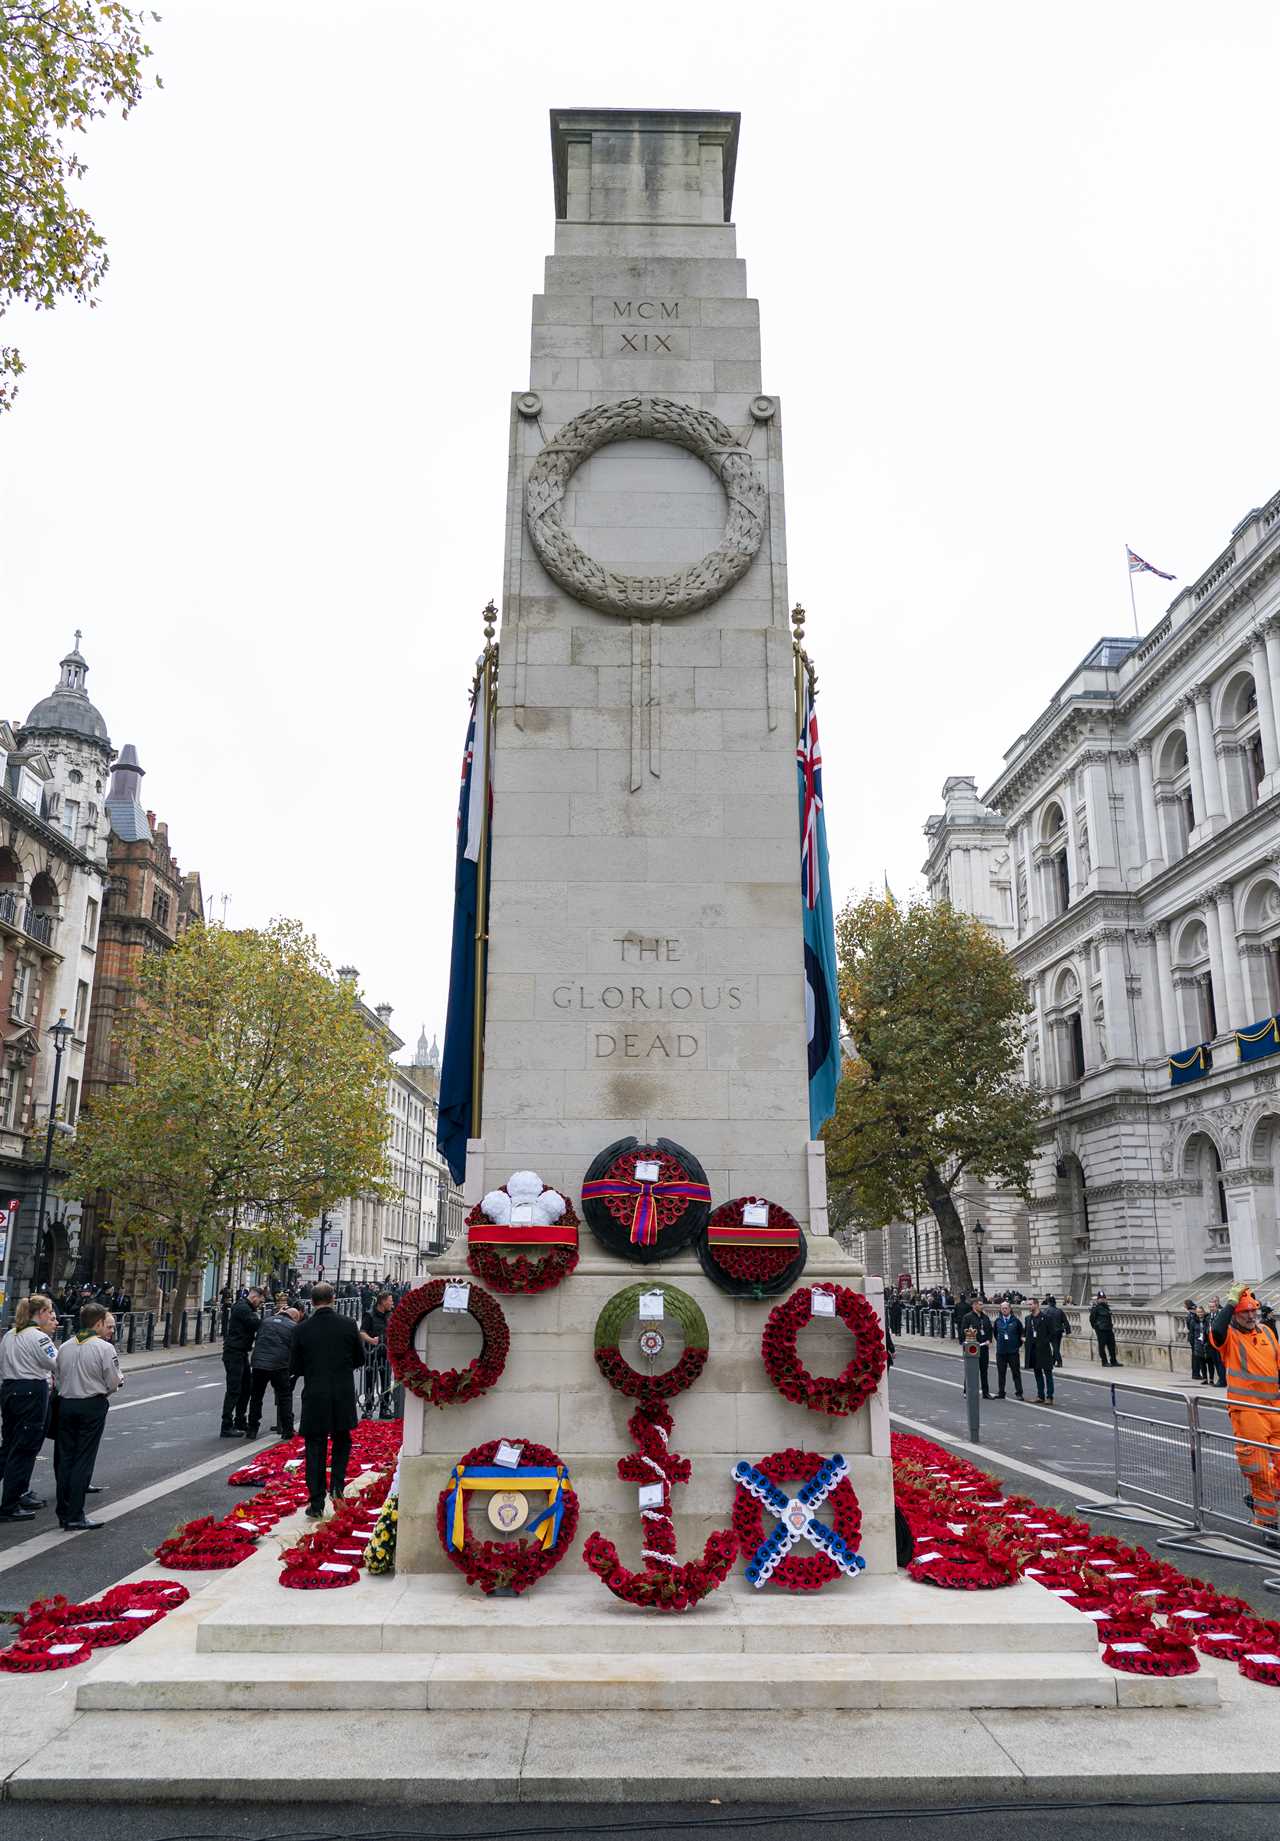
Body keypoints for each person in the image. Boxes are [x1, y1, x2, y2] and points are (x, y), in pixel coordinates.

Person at [1208, 1283, 1280, 1540]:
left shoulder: (1269, 1333)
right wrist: (1229, 1302)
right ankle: (1267, 1525)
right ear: (1235, 1314)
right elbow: (1215, 1329)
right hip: (1247, 1412)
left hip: (1274, 1410)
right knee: (1259, 1470)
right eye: (1244, 1312)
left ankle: (1261, 1504)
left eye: (1254, 1311)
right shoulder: (1227, 1335)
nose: (1250, 1316)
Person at [290, 1281, 364, 1518]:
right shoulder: (348, 1324)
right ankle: (337, 1488)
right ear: (333, 1299)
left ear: (311, 1302)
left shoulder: (302, 1329)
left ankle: (316, 1501)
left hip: (315, 1393)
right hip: (341, 1392)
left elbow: (295, 1365)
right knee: (342, 1440)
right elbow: (359, 1358)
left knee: (315, 1447)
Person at [54, 1304, 124, 1530]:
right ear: (98, 1323)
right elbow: (113, 1381)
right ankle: (75, 1514)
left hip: (66, 1404)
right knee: (83, 1459)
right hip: (91, 1405)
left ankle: (64, 1512)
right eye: (107, 1323)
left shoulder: (64, 1346)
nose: (110, 1328)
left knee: (65, 1459)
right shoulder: (104, 1348)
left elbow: (58, 1376)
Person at [0, 1294, 59, 1520]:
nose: (52, 1315)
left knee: (10, 1446)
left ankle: (16, 1496)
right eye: (50, 1310)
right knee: (24, 1449)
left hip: (9, 1389)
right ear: (41, 1313)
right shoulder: (38, 1337)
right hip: (31, 1391)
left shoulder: (10, 1335)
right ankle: (10, 1504)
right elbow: (55, 1362)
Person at [246, 1304, 301, 1441]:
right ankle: (287, 1429)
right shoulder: (293, 1327)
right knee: (284, 1396)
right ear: (294, 1317)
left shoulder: (266, 1321)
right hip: (279, 1365)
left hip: (259, 1363)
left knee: (256, 1397)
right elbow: (294, 1349)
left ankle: (252, 1429)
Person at [220, 1286, 263, 1437]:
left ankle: (239, 1420)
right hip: (234, 1353)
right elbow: (257, 1325)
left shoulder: (245, 1307)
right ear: (255, 1297)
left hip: (241, 1352)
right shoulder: (243, 1309)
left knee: (246, 1387)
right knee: (234, 1389)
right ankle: (226, 1426)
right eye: (260, 1301)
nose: (261, 1304)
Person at [959, 1296, 994, 1398]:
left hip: (983, 1347)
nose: (981, 1306)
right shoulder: (968, 1317)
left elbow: (989, 1329)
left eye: (982, 1304)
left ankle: (985, 1392)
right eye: (979, 1304)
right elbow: (963, 1332)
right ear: (974, 1305)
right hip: (972, 1347)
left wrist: (989, 1339)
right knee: (971, 1370)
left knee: (984, 1370)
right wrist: (965, 1344)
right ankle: (967, 1391)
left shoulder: (985, 1317)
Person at [1024, 1299, 1056, 1404]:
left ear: (1036, 1305)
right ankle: (1040, 1395)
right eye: (1028, 1304)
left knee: (1048, 1374)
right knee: (1037, 1373)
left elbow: (1052, 1333)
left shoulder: (1046, 1318)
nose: (1029, 1306)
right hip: (1033, 1350)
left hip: (1044, 1350)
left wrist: (1044, 1342)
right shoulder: (1028, 1319)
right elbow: (1026, 1333)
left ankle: (1050, 1396)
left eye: (1030, 1304)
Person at [993, 1300, 1024, 1400]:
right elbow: (995, 1334)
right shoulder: (998, 1321)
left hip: (1013, 1352)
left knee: (1016, 1373)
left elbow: (1021, 1334)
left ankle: (1019, 1393)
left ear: (1010, 1309)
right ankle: (1001, 1392)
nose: (1004, 1310)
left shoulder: (1016, 1321)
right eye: (1002, 1308)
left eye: (1006, 1308)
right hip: (1001, 1351)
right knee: (1001, 1373)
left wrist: (1015, 1345)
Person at [1090, 1291, 1120, 1368]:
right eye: (1101, 1298)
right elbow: (1092, 1319)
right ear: (1098, 1300)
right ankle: (1104, 1362)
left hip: (1109, 1329)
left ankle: (1113, 1361)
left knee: (1112, 1346)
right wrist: (1096, 1327)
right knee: (1102, 1346)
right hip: (1101, 1330)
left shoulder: (1107, 1307)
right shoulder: (1095, 1308)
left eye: (1103, 1298)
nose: (1102, 1300)